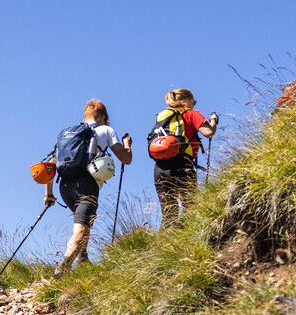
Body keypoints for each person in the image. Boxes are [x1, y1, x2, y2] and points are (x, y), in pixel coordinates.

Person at [46, 99, 133, 274]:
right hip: (86, 185)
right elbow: (126, 159)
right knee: (81, 229)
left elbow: (51, 164)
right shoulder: (106, 130)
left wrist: (49, 194)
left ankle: (83, 258)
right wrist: (127, 145)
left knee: (85, 223)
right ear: (102, 117)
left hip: (64, 186)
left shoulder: (69, 135)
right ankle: (63, 268)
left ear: (85, 117)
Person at [149, 88, 218, 228]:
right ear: (188, 100)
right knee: (191, 208)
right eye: (193, 101)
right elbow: (209, 132)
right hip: (182, 164)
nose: (194, 104)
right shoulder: (191, 114)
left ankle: (165, 239)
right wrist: (214, 120)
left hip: (160, 167)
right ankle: (188, 238)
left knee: (169, 214)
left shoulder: (164, 117)